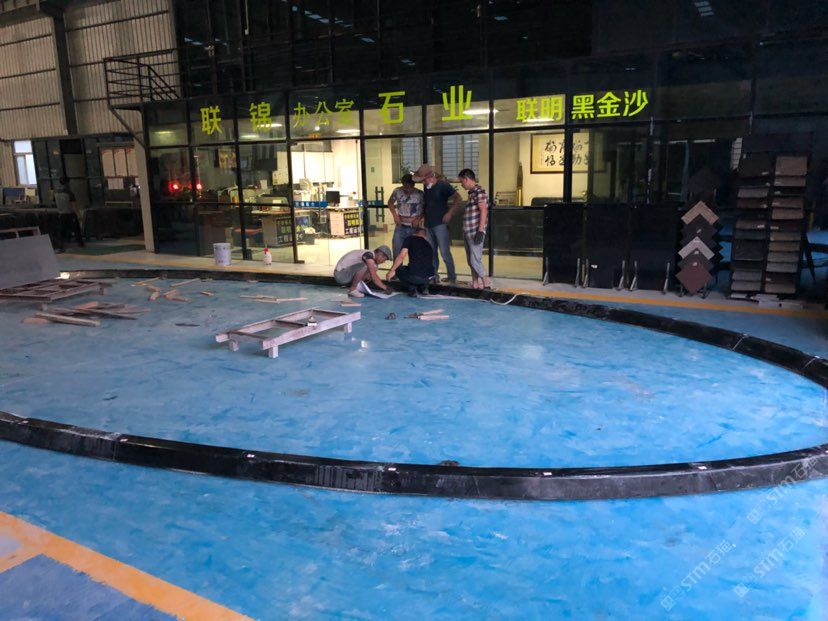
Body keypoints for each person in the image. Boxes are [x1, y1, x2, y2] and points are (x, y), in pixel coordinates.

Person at [411, 164, 461, 285]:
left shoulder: (443, 186)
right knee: (431, 252)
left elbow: (458, 198)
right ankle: (434, 276)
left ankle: (452, 277)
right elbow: (427, 205)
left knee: (444, 253)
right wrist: (420, 218)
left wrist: (450, 213)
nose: (423, 183)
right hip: (428, 224)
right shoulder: (427, 188)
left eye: (423, 180)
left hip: (440, 224)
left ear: (430, 177)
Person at [457, 169, 491, 290]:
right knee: (470, 260)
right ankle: (475, 283)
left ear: (466, 179)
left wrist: (480, 231)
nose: (461, 184)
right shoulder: (471, 193)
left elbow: (484, 211)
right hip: (468, 231)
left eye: (461, 181)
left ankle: (486, 282)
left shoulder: (479, 192)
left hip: (475, 232)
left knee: (474, 259)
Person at [385, 223, 435, 297]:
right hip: (429, 277)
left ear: (414, 233)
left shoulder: (410, 239)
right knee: (421, 270)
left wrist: (391, 270)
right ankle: (425, 288)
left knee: (399, 270)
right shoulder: (428, 244)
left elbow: (401, 256)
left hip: (415, 276)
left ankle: (412, 289)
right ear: (425, 236)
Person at [387, 173, 425, 258]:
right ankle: (398, 267)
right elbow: (390, 203)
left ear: (413, 185)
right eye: (405, 187)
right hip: (401, 226)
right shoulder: (397, 191)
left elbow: (425, 208)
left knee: (415, 253)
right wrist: (395, 216)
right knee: (397, 251)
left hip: (415, 227)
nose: (407, 190)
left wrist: (418, 219)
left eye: (409, 188)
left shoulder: (420, 194)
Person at [53, 177, 84, 251]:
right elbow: (74, 205)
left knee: (62, 231)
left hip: (61, 214)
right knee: (76, 230)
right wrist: (79, 215)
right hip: (70, 214)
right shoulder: (69, 193)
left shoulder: (56, 192)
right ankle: (80, 244)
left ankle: (61, 246)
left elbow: (54, 202)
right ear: (67, 183)